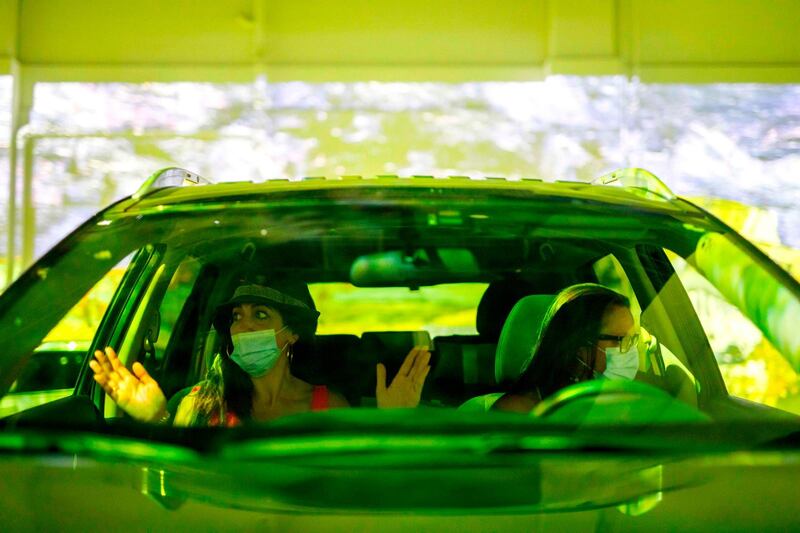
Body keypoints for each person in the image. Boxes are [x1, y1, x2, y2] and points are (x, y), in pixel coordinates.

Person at [90, 278, 431, 426]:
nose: (244, 326)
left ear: (292, 334)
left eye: (261, 315)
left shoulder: (328, 405)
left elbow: (351, 487)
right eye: (237, 316)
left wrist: (396, 420)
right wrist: (158, 419)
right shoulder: (201, 402)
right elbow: (173, 487)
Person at [493, 283, 639, 414]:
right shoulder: (518, 412)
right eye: (620, 340)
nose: (630, 350)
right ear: (578, 346)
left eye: (632, 340)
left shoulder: (625, 402)